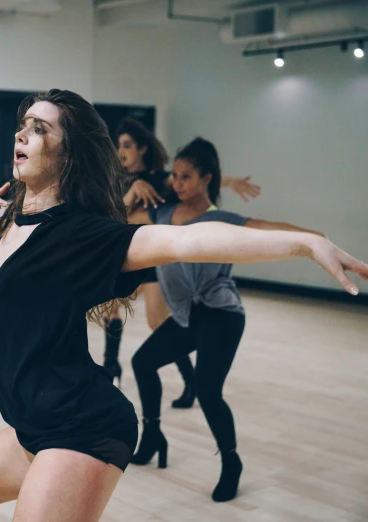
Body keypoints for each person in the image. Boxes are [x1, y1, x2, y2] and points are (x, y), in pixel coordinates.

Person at [0, 89, 368, 521]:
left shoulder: (81, 236)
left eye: (40, 128)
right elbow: (9, 273)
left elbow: (191, 238)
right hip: (30, 423)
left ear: (69, 153)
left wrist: (305, 243)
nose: (21, 133)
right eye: (23, 124)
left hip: (80, 427)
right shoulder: (15, 219)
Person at [127, 137, 348, 502]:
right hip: (186, 315)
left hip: (221, 314)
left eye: (186, 177)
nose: (177, 183)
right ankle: (152, 434)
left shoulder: (221, 219)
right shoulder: (161, 213)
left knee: (208, 391)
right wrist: (134, 188)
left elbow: (267, 227)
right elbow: (114, 217)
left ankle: (231, 462)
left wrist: (314, 240)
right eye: (175, 177)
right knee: (143, 362)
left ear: (206, 179)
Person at [105, 117, 261, 406]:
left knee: (156, 323)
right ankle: (110, 368)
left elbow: (194, 179)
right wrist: (131, 189)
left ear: (141, 148)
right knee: (110, 308)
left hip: (153, 260)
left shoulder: (160, 178)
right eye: (119, 146)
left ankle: (191, 382)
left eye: (126, 145)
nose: (121, 151)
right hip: (127, 256)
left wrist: (229, 181)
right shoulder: (120, 181)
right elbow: (115, 217)